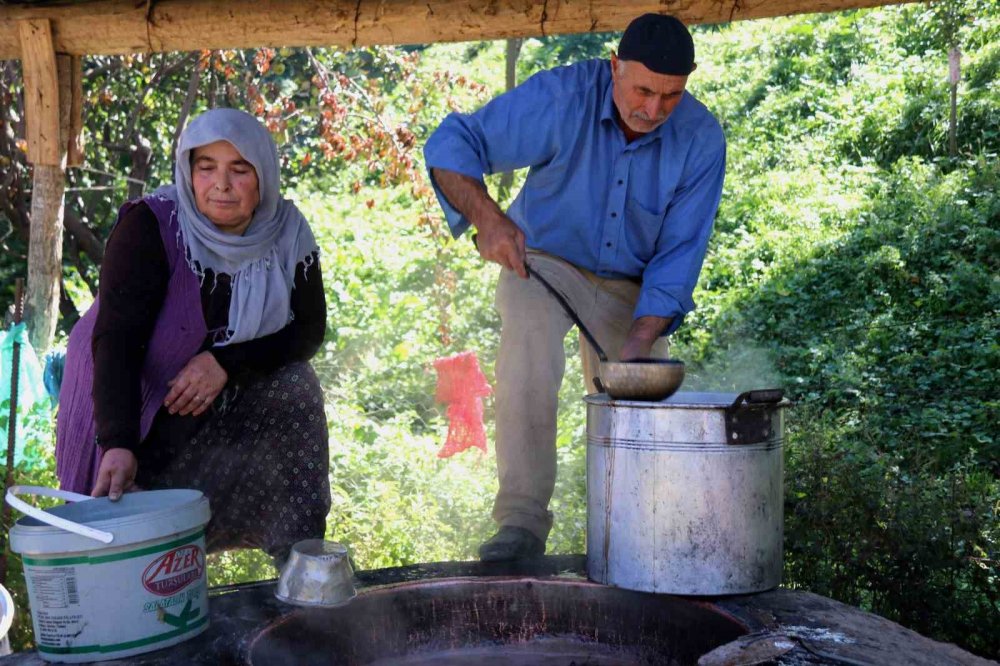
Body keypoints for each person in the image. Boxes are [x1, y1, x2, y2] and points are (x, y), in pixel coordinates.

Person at [424, 14, 726, 561]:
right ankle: (520, 525)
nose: (653, 109)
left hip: (634, 283)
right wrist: (487, 218)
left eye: (671, 96)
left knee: (641, 391)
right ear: (614, 67)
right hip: (544, 259)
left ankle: (632, 532)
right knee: (529, 350)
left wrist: (641, 339)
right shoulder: (562, 96)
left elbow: (681, 252)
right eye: (642, 90)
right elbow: (454, 140)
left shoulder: (702, 139)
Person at [56, 109, 330, 564]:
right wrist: (118, 442)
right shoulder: (151, 226)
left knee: (296, 385)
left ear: (263, 175)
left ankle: (301, 566)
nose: (221, 184)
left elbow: (307, 332)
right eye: (207, 168)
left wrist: (225, 362)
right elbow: (116, 341)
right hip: (134, 417)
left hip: (217, 423)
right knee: (134, 567)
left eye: (239, 170)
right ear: (188, 171)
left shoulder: (287, 232)